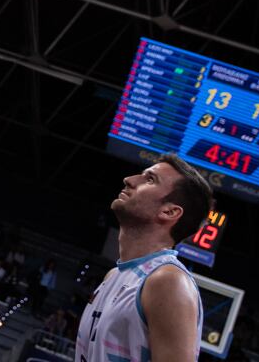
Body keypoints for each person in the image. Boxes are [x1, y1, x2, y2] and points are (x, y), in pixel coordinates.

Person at [74, 155, 212, 362]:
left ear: (169, 211)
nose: (129, 179)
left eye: (150, 179)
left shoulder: (168, 282)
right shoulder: (114, 275)